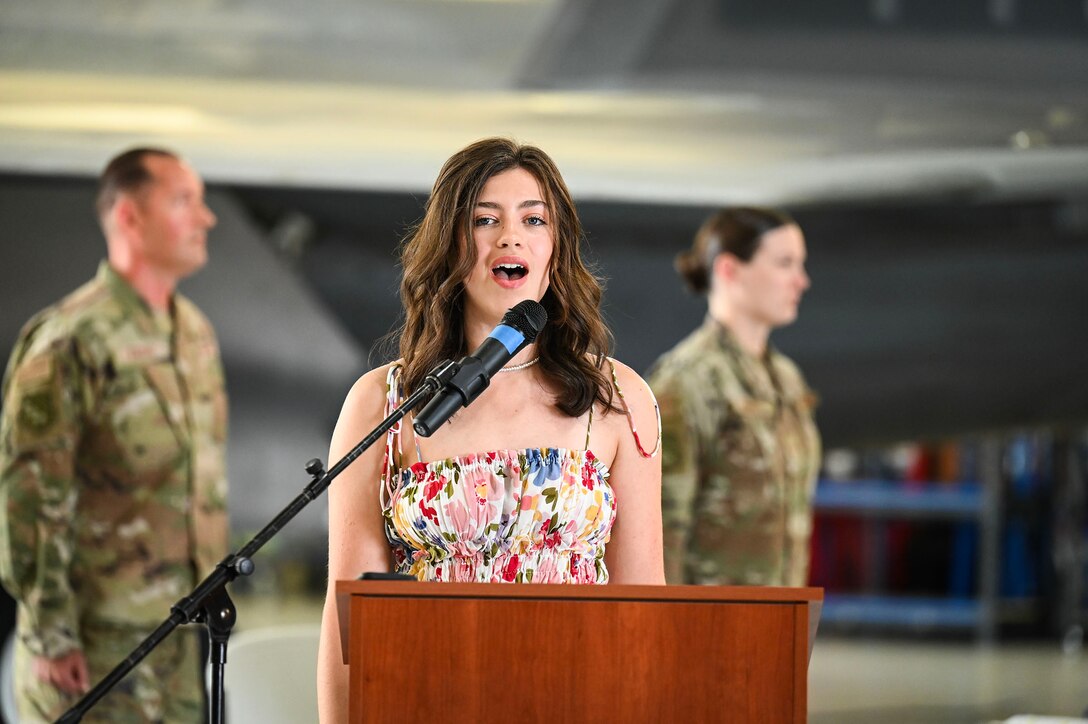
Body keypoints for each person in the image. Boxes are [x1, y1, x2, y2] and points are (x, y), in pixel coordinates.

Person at [316, 137, 663, 723]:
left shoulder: (619, 397)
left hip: (577, 698)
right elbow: (348, 612)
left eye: (534, 219)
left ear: (556, 249)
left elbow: (643, 599)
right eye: (484, 220)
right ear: (450, 246)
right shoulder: (381, 402)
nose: (511, 237)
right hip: (424, 698)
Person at [0, 147, 228, 722]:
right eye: (184, 202)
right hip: (90, 641)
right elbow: (30, 495)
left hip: (176, 632)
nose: (206, 219)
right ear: (130, 216)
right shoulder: (71, 339)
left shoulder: (194, 332)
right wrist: (53, 633)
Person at [647, 207, 821, 587]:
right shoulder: (687, 382)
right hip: (709, 627)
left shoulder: (786, 379)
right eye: (784, 263)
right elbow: (661, 532)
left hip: (779, 619)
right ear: (729, 269)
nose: (801, 281)